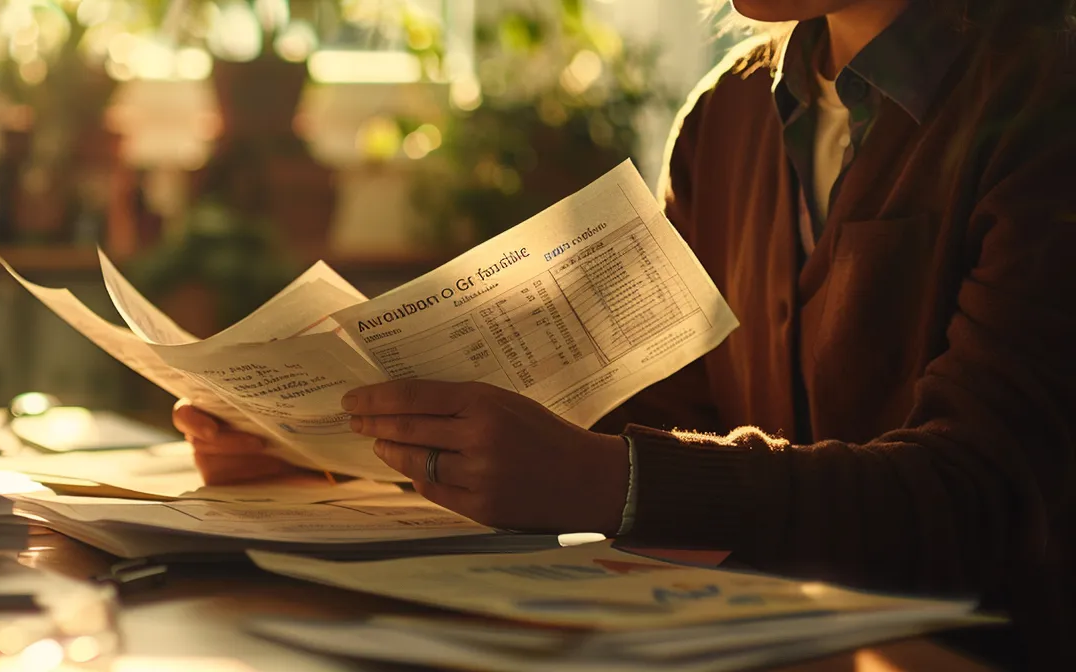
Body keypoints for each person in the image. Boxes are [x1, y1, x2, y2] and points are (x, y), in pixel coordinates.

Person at [173, 0, 1075, 665]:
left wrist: (613, 482)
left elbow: (986, 500)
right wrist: (333, 449)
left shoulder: (1043, 105)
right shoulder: (730, 115)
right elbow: (658, 411)